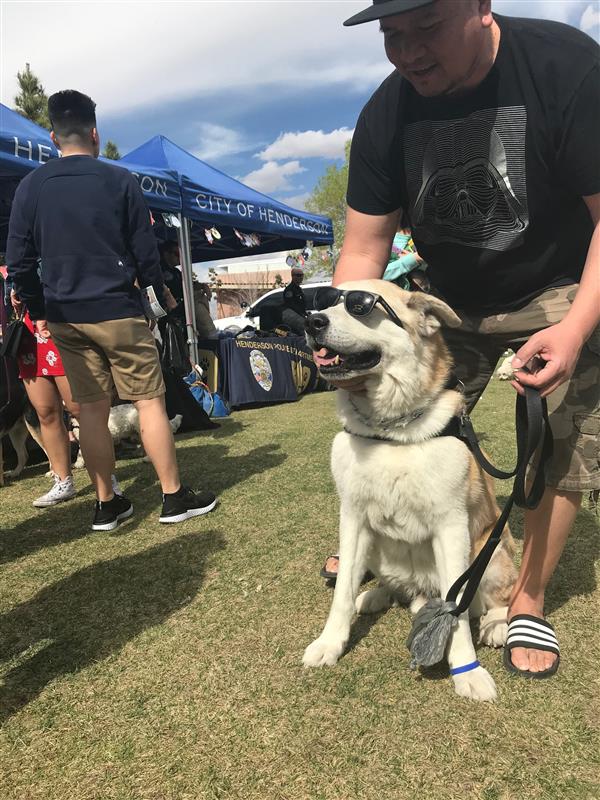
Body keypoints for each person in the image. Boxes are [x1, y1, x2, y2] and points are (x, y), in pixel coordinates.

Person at [321, 0, 600, 678]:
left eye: (426, 26)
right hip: (447, 298)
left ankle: (526, 595)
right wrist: (352, 342)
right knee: (397, 423)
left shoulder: (566, 67)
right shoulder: (385, 115)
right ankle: (396, 552)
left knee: (565, 430)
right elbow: (363, 247)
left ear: (480, 6)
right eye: (392, 34)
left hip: (558, 285)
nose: (408, 50)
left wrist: (574, 327)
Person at [6, 90, 217, 531]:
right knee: (149, 403)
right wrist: (159, 297)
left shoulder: (31, 186)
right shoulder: (120, 180)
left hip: (65, 313)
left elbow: (20, 262)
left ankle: (107, 505)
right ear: (95, 133)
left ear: (52, 136)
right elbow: (145, 253)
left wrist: (39, 307)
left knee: (90, 410)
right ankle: (174, 499)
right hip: (119, 308)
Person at [282, 268, 307, 335]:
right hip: (294, 317)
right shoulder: (289, 290)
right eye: (298, 275)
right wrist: (301, 314)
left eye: (302, 275)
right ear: (293, 276)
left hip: (301, 316)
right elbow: (291, 305)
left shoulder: (299, 289)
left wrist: (305, 313)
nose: (301, 277)